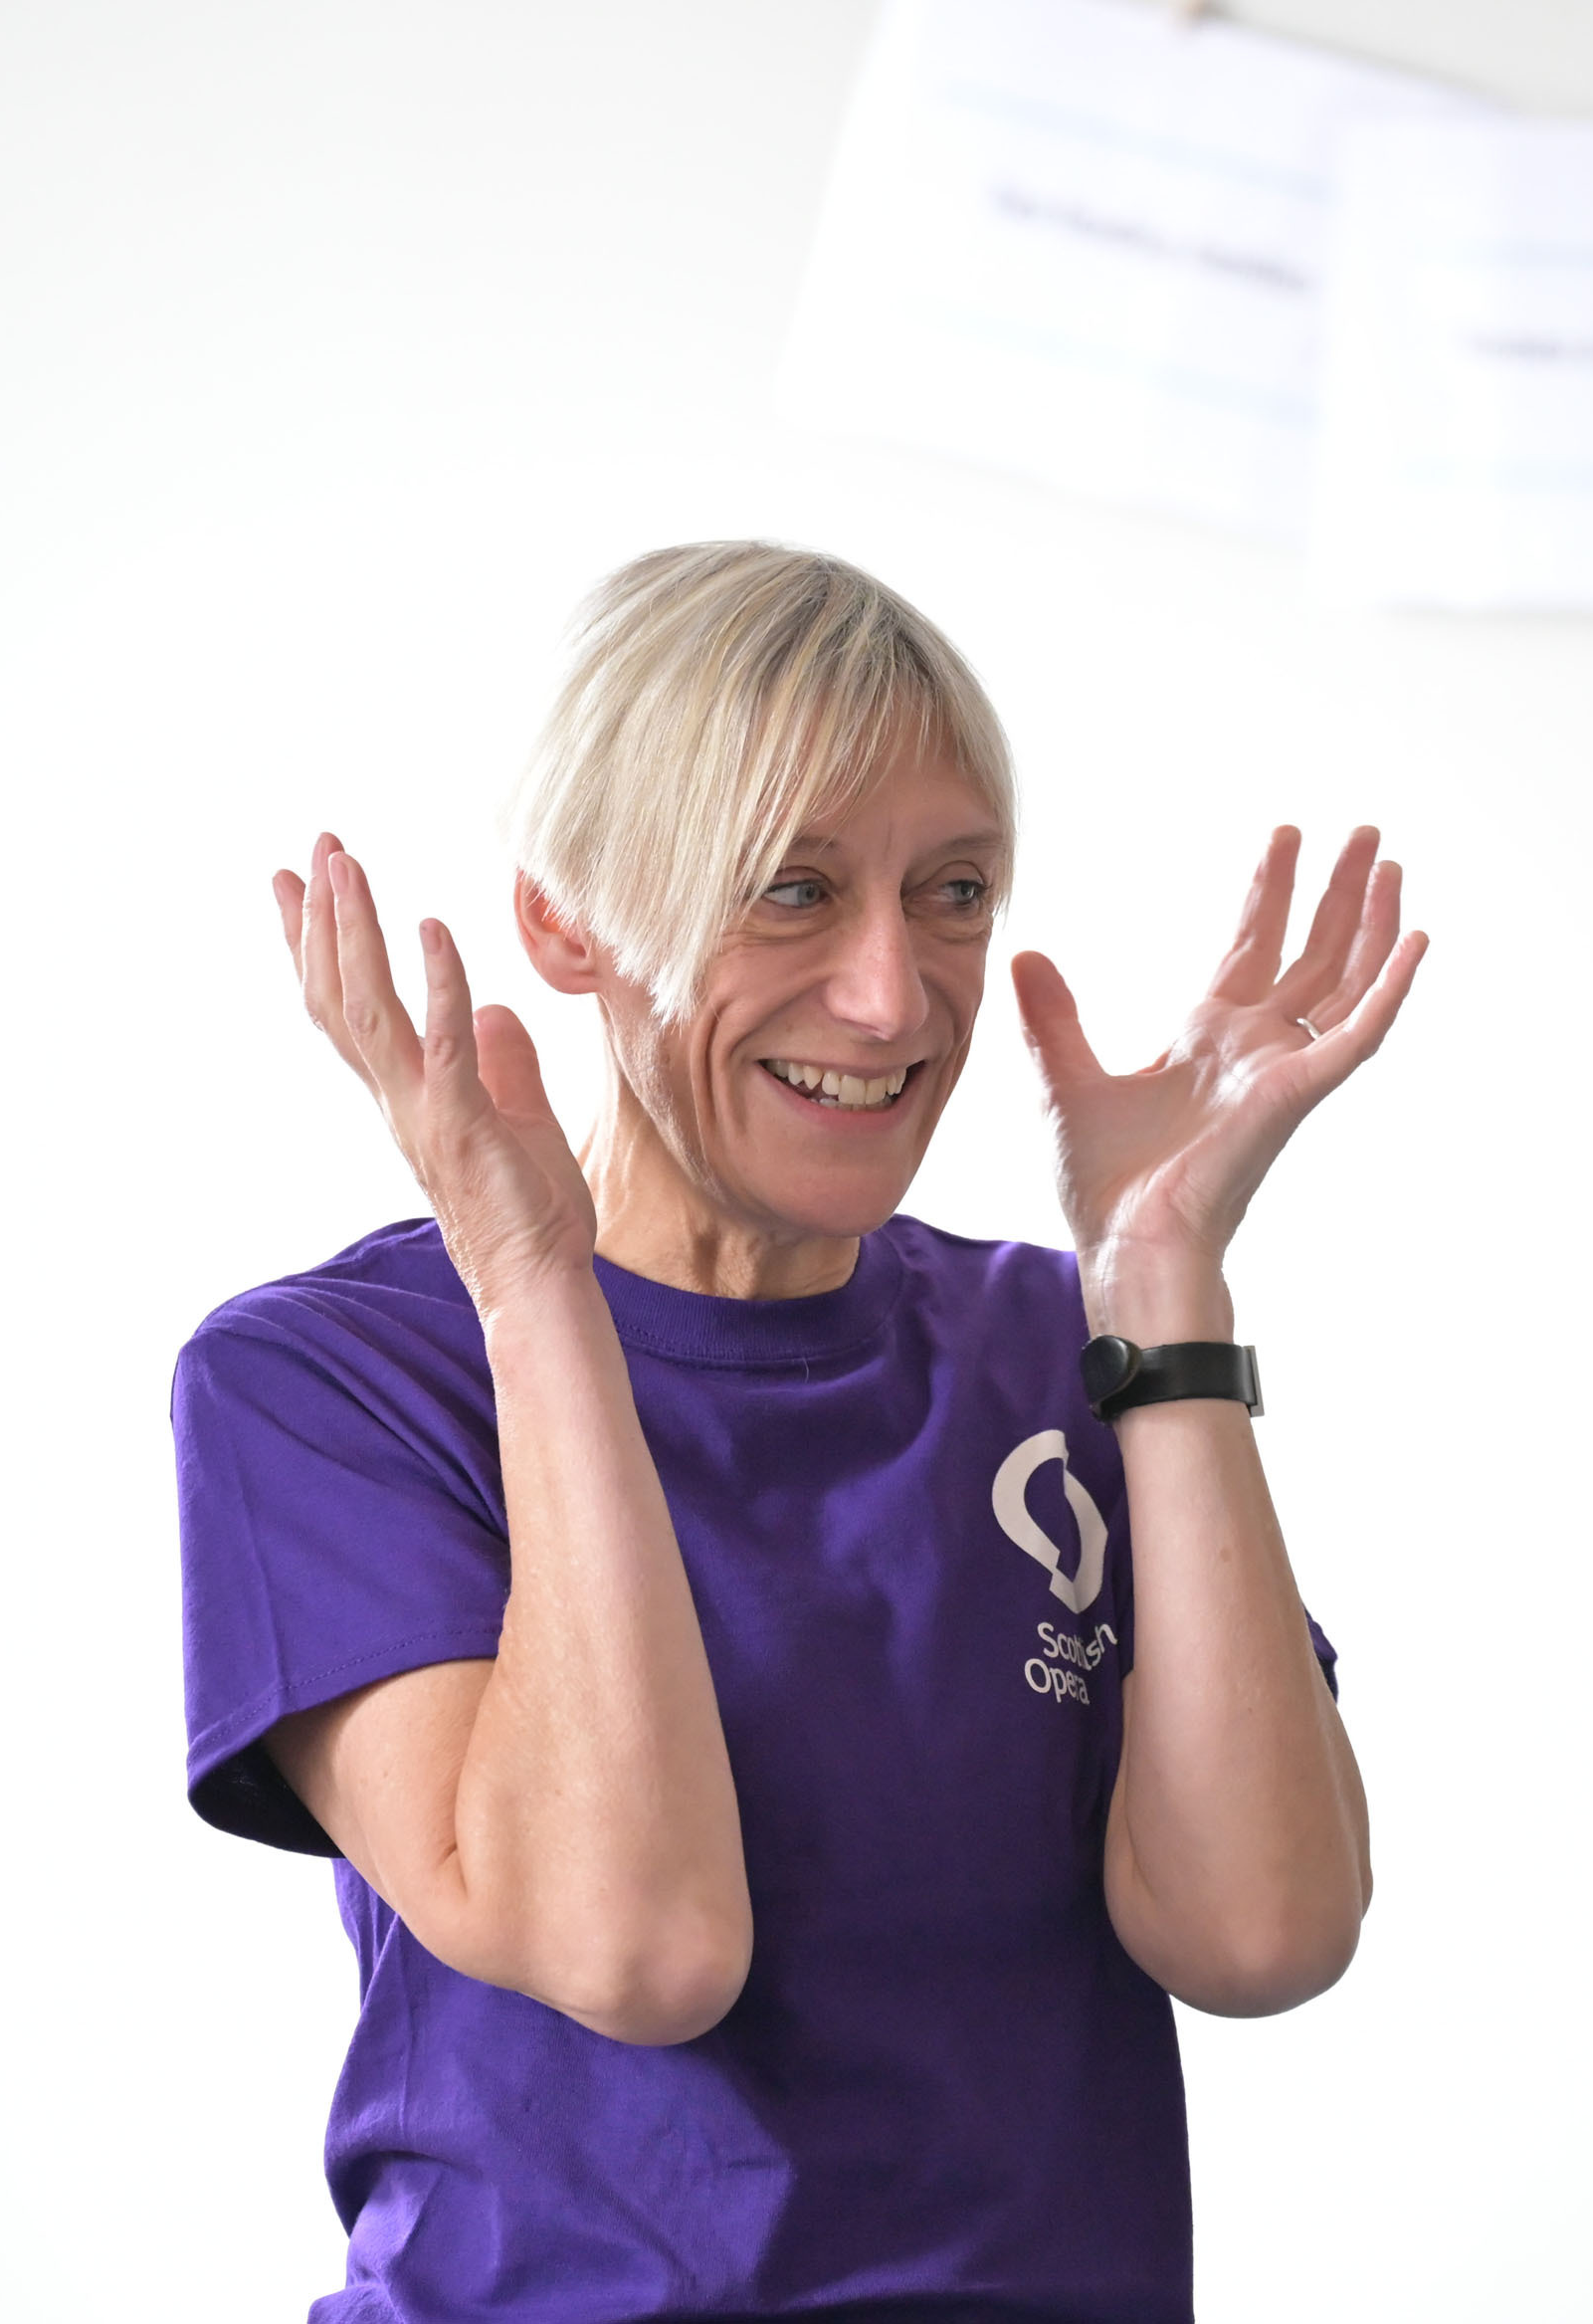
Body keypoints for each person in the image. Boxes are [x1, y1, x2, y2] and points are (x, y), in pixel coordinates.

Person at [171, 541, 1426, 2323]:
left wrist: (1161, 1292)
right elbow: (642, 1943)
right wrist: (536, 1290)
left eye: (954, 893)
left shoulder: (1059, 1356)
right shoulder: (339, 1383)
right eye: (790, 890)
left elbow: (1260, 1932)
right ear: (570, 918)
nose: (893, 997)